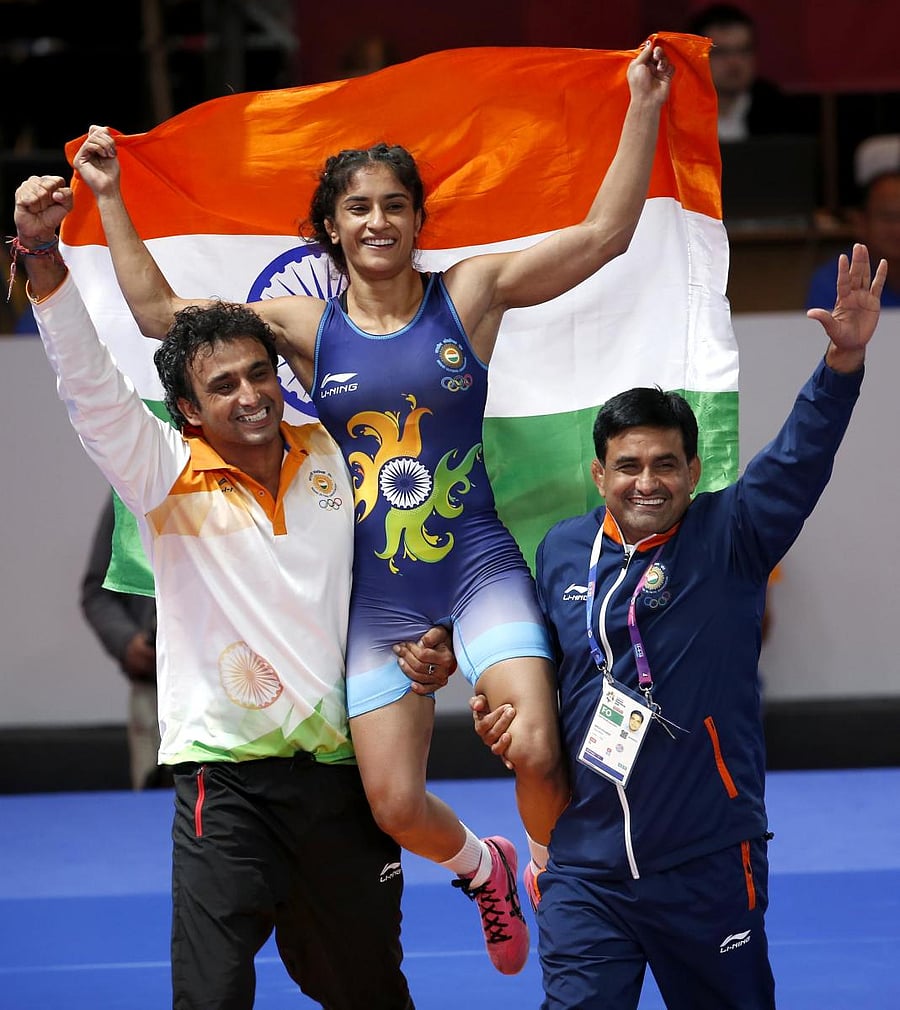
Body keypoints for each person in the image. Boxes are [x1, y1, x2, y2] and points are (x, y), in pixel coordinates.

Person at [70, 39, 674, 975]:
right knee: (391, 803)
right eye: (359, 208)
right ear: (331, 229)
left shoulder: (468, 295)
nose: (379, 220)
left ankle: (561, 875)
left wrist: (642, 104)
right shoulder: (307, 329)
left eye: (396, 205)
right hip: (378, 591)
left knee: (539, 747)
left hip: (474, 563)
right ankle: (486, 866)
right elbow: (159, 316)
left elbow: (605, 235)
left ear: (419, 219)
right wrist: (109, 196)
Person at [13, 172, 458, 1009]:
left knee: (369, 992)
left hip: (340, 773)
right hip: (227, 784)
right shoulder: (161, 471)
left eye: (259, 373)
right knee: (211, 998)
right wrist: (41, 257)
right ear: (186, 407)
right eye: (223, 386)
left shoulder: (335, 451)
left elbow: (397, 574)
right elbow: (87, 385)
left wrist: (430, 640)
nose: (251, 395)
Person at [470, 243, 887, 1009]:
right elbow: (524, 649)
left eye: (667, 464)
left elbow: (800, 457)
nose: (648, 481)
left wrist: (841, 364)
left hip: (706, 860)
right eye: (629, 465)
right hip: (587, 865)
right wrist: (483, 691)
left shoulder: (733, 534)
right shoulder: (563, 549)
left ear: (695, 471)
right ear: (599, 475)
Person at [80, 495, 168, 790]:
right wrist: (127, 641)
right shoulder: (133, 488)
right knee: (150, 817)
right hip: (154, 691)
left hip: (236, 690)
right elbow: (98, 591)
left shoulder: (246, 478)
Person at [687, 4, 817, 142]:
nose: (734, 62)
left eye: (744, 51)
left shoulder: (781, 113)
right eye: (721, 52)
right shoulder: (672, 114)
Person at [806, 134, 900, 310]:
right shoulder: (835, 281)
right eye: (888, 217)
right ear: (860, 222)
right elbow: (819, 337)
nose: (897, 229)